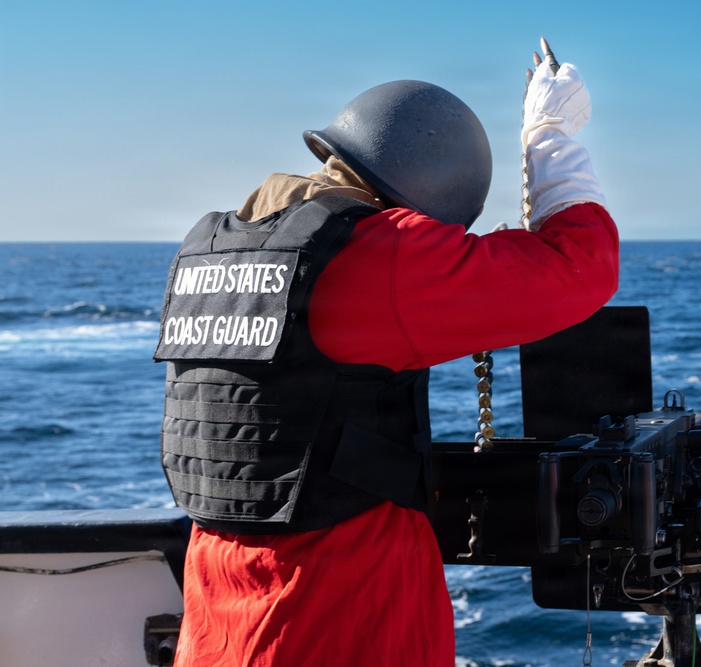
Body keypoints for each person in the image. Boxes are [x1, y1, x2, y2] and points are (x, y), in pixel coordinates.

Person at [154, 40, 618, 666]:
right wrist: (549, 135)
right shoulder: (382, 252)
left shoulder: (211, 247)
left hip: (218, 613)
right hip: (343, 612)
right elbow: (580, 267)